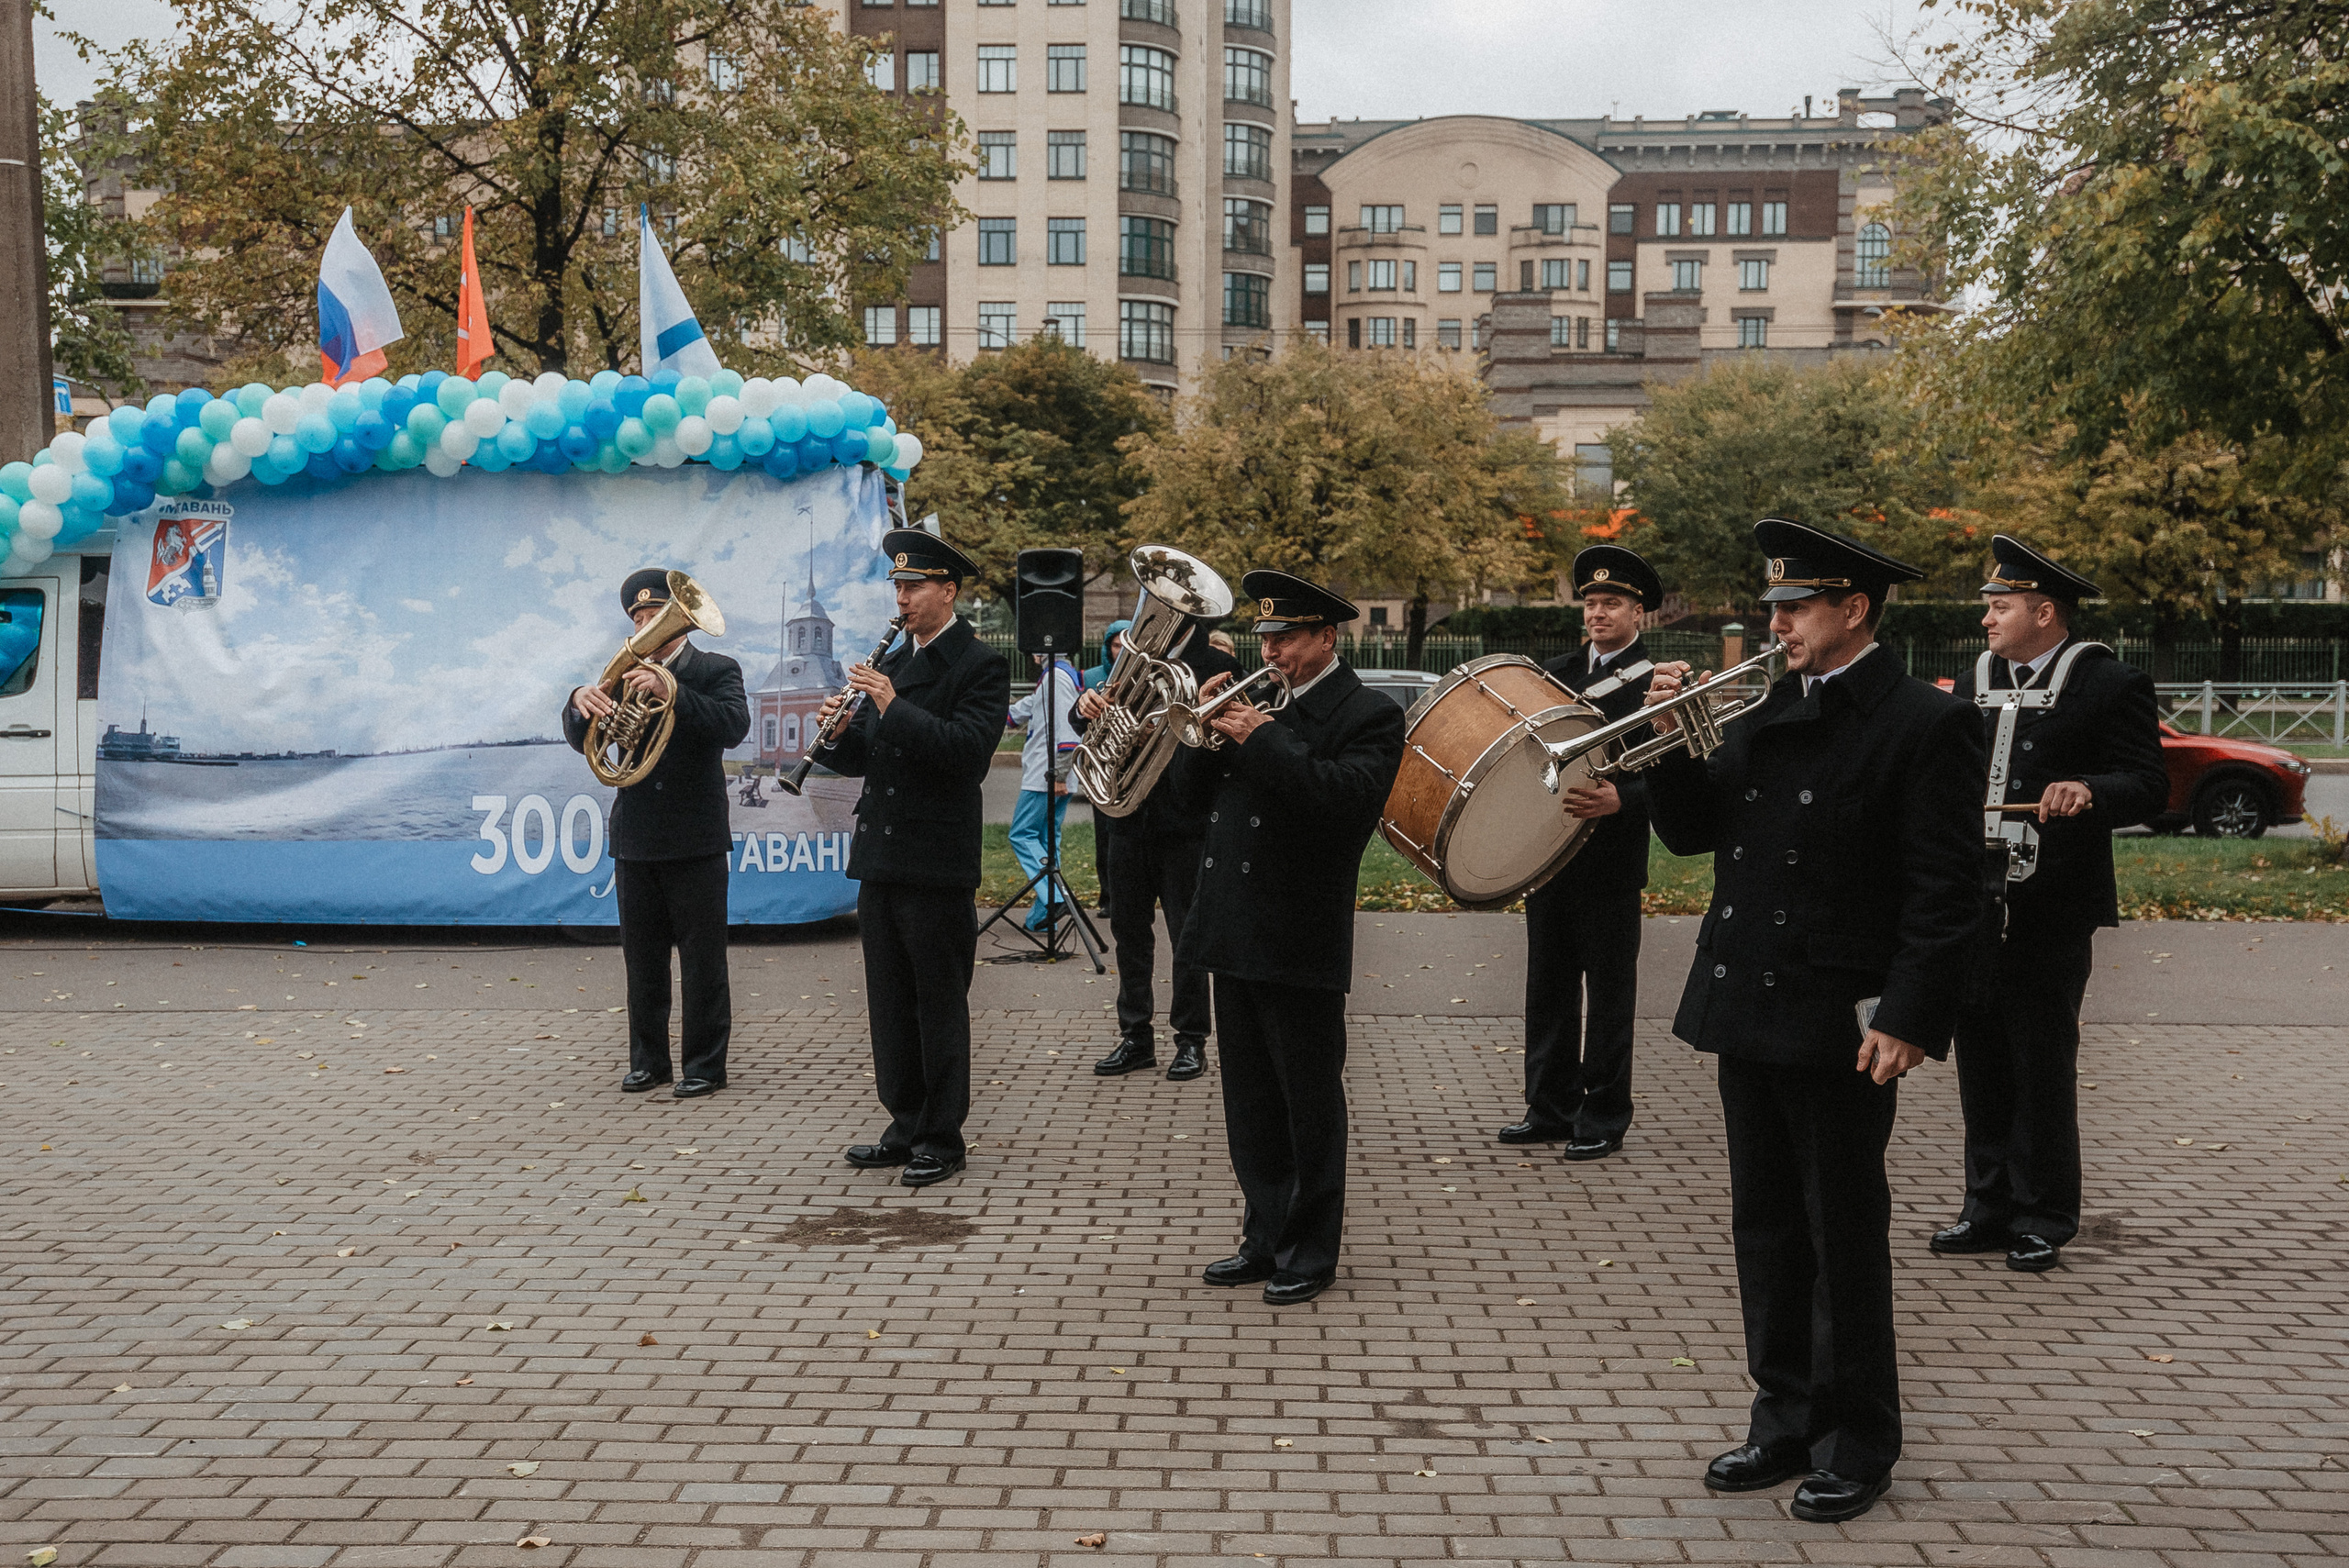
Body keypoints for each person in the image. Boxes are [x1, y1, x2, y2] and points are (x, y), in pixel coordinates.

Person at [1640, 518, 1982, 1523]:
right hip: (1747, 998)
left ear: (1853, 610)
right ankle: (1782, 1415)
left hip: (1840, 1012)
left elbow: (1945, 887)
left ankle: (1857, 1437)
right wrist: (1666, 744)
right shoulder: (1764, 704)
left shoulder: (1923, 721)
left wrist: (1911, 1011)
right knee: (1766, 1230)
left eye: (1794, 607)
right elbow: (1694, 830)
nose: (1774, 622)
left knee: (1842, 1232)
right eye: (1773, 606)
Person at [1168, 572, 1406, 1306]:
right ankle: (1263, 1235)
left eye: (1286, 638)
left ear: (1326, 639)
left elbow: (1338, 803)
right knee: (1250, 1103)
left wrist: (1263, 736)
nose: (1270, 651)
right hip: (1234, 926)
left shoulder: (1367, 713)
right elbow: (1184, 805)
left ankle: (1310, 1246)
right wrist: (1203, 738)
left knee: (1307, 1101)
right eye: (1264, 637)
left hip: (1299, 933)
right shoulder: (1251, 706)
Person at [1933, 536, 2167, 1273]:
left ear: (2044, 610)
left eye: (2000, 607)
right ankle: (1987, 1205)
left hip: (2051, 905)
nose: (1987, 621)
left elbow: (2149, 783)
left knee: (2039, 1058)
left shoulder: (2108, 681)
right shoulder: (1973, 681)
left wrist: (2089, 788)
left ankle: (2044, 1214)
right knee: (1979, 1057)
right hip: (1975, 897)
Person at [814, 529, 1009, 1187]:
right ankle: (904, 1121)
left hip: (935, 857)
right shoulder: (894, 659)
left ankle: (941, 1135)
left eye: (914, 587)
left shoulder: (978, 663)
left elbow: (966, 753)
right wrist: (840, 733)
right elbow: (868, 755)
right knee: (889, 1000)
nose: (902, 598)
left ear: (948, 590)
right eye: (897, 587)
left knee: (937, 1000)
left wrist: (891, 704)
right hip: (881, 854)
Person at [562, 569, 750, 1099]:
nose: (643, 629)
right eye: (638, 619)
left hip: (696, 835)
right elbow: (586, 741)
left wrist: (673, 690)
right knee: (641, 959)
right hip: (637, 835)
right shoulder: (621, 675)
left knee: (702, 959)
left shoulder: (715, 668)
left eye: (653, 618)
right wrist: (579, 700)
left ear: (678, 622)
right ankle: (648, 1061)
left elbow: (733, 725)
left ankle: (705, 1066)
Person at [1501, 544, 1661, 1158]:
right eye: (1592, 603)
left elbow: (1677, 771)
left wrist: (1625, 799)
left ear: (1637, 613)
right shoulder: (1556, 672)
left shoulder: (1655, 680)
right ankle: (1548, 1105)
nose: (1598, 612)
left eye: (1611, 603)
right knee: (1548, 991)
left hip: (1611, 864)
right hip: (1549, 856)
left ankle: (1603, 1114)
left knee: (1610, 997)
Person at [1074, 615, 1239, 1082]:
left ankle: (1191, 1040)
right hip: (1127, 818)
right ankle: (1135, 1037)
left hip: (1185, 822)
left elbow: (1227, 745)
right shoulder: (1133, 662)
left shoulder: (1217, 664)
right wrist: (1088, 705)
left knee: (1186, 935)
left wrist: (1170, 732)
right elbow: (1095, 719)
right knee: (1129, 931)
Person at [1006, 651, 1085, 933]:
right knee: (1048, 838)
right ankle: (1042, 915)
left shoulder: (1056, 677)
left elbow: (1067, 727)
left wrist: (1060, 773)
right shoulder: (1056, 677)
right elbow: (1024, 710)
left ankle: (1052, 896)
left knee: (1022, 834)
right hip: (1052, 772)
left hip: (1047, 774)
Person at [1081, 619, 1130, 911]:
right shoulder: (1090, 677)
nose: (1121, 650)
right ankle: (1107, 896)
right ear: (1107, 648)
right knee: (1104, 838)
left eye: (1127, 644)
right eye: (1115, 645)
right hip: (1103, 764)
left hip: (1132, 766)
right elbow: (1078, 723)